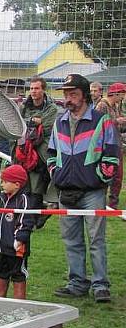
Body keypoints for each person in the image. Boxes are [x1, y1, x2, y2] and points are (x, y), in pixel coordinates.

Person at [49, 74, 119, 303]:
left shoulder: (101, 120)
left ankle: (100, 285)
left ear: (84, 95)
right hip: (65, 191)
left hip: (92, 192)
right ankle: (77, 283)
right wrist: (55, 174)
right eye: (66, 94)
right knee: (72, 241)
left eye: (73, 94)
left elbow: (112, 153)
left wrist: (99, 178)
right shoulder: (59, 121)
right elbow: (51, 154)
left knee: (96, 240)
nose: (68, 99)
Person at [13, 76, 58, 226]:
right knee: (23, 185)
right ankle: (29, 217)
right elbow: (18, 123)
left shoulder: (51, 108)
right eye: (31, 88)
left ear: (43, 90)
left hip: (41, 153)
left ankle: (34, 217)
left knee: (37, 186)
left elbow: (48, 126)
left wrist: (35, 123)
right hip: (24, 151)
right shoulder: (23, 106)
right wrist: (34, 121)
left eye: (36, 88)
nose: (33, 91)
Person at [0, 164, 35, 300]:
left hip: (16, 250)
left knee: (18, 278)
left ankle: (20, 309)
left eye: (5, 181)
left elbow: (26, 222)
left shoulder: (24, 200)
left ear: (17, 184)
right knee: (0, 277)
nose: (2, 184)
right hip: (2, 249)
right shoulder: (3, 199)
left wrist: (19, 240)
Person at [94, 82, 126, 208]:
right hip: (105, 146)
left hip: (116, 144)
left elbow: (119, 128)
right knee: (105, 173)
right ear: (116, 93)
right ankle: (99, 201)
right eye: (122, 94)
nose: (123, 97)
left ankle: (113, 203)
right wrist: (115, 121)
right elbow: (97, 124)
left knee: (118, 175)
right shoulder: (102, 105)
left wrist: (122, 123)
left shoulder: (116, 106)